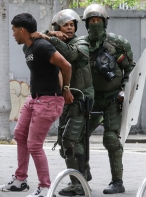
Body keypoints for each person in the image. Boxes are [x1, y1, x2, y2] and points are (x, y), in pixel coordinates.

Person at [0, 13, 72, 197]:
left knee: (34, 145)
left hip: (49, 100)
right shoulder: (29, 46)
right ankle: (20, 180)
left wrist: (66, 89)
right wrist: (47, 33)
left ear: (22, 30)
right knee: (20, 135)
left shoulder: (41, 46)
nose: (13, 34)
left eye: (14, 30)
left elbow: (66, 66)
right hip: (34, 99)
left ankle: (45, 188)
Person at [31, 9, 94, 196]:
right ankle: (82, 175)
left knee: (71, 141)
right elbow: (36, 42)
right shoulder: (53, 42)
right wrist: (49, 34)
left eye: (72, 24)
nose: (70, 28)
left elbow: (72, 55)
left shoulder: (81, 43)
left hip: (81, 99)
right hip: (64, 99)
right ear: (57, 27)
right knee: (65, 144)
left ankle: (79, 183)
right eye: (65, 25)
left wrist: (52, 37)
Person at [83, 4, 135, 194]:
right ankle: (82, 173)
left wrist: (124, 91)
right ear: (86, 24)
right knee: (80, 137)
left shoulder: (117, 44)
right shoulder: (82, 45)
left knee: (111, 139)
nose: (95, 24)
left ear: (104, 23)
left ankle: (117, 181)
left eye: (98, 21)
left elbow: (130, 70)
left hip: (113, 98)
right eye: (91, 21)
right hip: (91, 98)